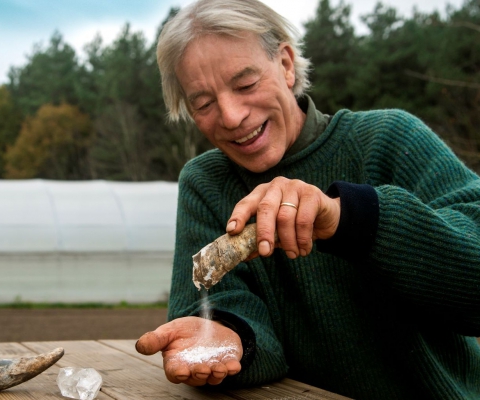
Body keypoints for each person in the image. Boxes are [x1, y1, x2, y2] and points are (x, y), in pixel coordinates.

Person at [135, 0, 480, 398]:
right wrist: (229, 336)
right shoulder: (204, 182)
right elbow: (224, 307)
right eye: (204, 104)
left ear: (285, 64)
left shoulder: (389, 139)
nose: (231, 117)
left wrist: (346, 217)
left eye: (245, 84)